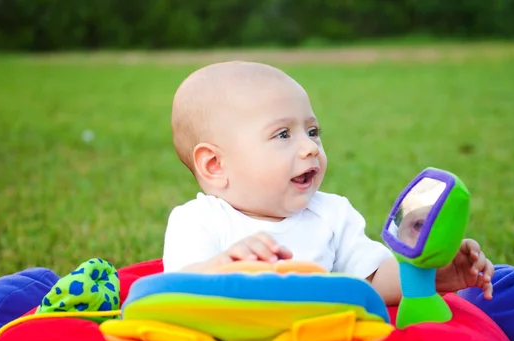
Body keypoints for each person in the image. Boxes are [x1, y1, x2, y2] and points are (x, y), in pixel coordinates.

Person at [162, 60, 494, 306]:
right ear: (215, 165)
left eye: (312, 131)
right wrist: (225, 265)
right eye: (282, 134)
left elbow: (373, 281)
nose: (310, 147)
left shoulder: (332, 214)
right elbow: (174, 293)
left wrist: (432, 273)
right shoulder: (198, 220)